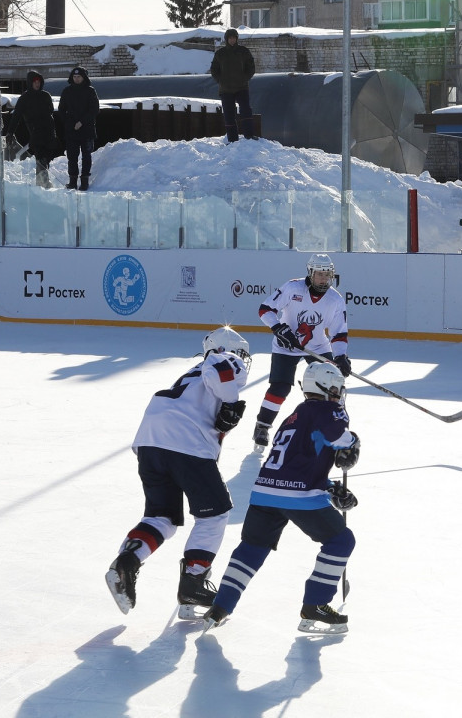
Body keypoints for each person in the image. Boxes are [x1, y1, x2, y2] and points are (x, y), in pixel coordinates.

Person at [105, 327, 252, 619]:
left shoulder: (192, 374)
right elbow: (222, 369)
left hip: (150, 440)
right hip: (185, 440)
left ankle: (127, 561)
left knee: (162, 517)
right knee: (215, 514)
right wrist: (232, 403)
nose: (242, 361)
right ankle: (193, 582)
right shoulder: (221, 359)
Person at [203, 361, 360, 634]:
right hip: (298, 494)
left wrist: (330, 487)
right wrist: (353, 441)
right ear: (324, 387)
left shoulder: (294, 416)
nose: (338, 393)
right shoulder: (328, 410)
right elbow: (339, 437)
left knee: (251, 549)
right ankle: (316, 604)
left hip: (264, 491)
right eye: (335, 387)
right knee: (340, 540)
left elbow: (297, 461)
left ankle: (220, 606)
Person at [252, 254, 350, 449]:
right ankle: (262, 425)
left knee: (332, 386)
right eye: (319, 274)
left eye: (327, 274)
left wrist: (340, 355)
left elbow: (339, 332)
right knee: (280, 388)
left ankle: (335, 427)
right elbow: (265, 309)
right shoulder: (292, 288)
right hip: (285, 346)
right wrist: (279, 329)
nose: (323, 279)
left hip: (318, 347)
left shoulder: (335, 299)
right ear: (310, 273)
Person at [4, 70, 58, 187]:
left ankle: (43, 179)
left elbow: (51, 112)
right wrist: (10, 132)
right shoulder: (25, 98)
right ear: (30, 83)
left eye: (39, 82)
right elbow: (16, 116)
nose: (37, 84)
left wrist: (53, 131)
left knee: (46, 157)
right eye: (35, 82)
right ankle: (42, 182)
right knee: (40, 156)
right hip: (35, 131)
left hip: (48, 131)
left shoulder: (46, 95)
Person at [210, 28, 256, 143]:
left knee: (246, 111)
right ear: (226, 39)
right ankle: (232, 140)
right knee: (229, 115)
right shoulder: (220, 53)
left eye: (234, 38)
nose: (232, 40)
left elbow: (251, 67)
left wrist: (244, 78)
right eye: (230, 38)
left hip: (242, 88)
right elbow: (214, 70)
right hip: (226, 90)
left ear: (236, 39)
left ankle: (249, 136)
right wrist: (221, 81)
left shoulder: (243, 51)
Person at [59, 66, 99, 191]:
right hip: (71, 131)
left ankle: (85, 181)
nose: (76, 79)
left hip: (86, 130)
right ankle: (72, 181)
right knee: (72, 157)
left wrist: (82, 122)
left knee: (86, 156)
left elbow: (94, 110)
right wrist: (68, 123)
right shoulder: (67, 91)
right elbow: (61, 109)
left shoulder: (90, 91)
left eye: (79, 77)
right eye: (74, 77)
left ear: (84, 78)